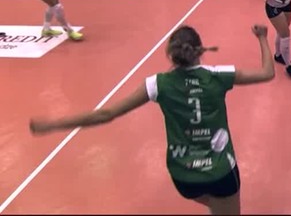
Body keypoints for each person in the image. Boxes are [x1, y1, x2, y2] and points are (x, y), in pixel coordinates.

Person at [29, 24, 276, 215]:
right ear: (200, 51)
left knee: (213, 202)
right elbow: (267, 73)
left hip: (183, 176)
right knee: (225, 204)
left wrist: (53, 124)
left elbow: (106, 114)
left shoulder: (157, 84)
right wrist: (263, 38)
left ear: (171, 55)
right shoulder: (219, 76)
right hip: (220, 171)